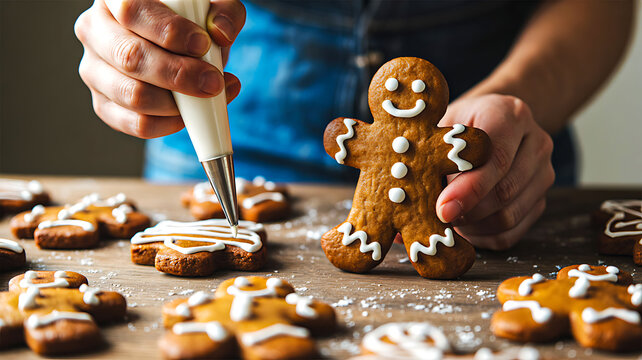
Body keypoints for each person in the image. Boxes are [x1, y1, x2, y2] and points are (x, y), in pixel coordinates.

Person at [74, 0, 634, 250]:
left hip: (499, 150)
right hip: (226, 129)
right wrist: (135, 33)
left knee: (440, 231)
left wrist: (517, 97)